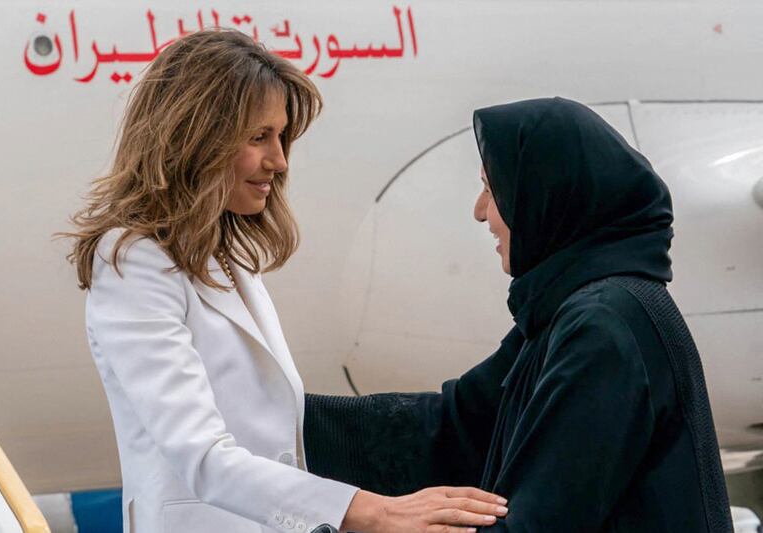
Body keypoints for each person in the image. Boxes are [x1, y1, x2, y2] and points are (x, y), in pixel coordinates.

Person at [61, 29, 507, 533]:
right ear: (197, 137)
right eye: (259, 137)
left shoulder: (227, 257)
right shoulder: (134, 262)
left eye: (280, 136)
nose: (280, 160)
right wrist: (377, 511)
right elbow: (203, 456)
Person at [304, 97, 732, 532]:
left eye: (493, 189)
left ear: (544, 195)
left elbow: (539, 521)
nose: (480, 211)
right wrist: (268, 418)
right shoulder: (574, 312)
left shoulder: (604, 329)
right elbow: (454, 428)